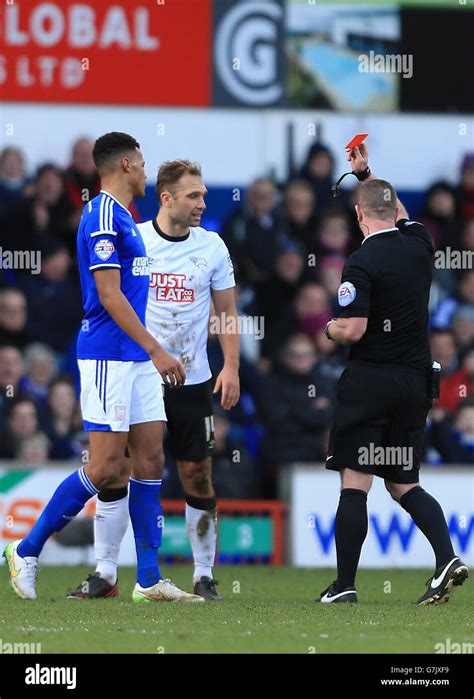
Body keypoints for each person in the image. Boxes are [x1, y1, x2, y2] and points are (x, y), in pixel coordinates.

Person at [3, 132, 201, 603]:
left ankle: (149, 578)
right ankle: (26, 550)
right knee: (107, 466)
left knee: (150, 459)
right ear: (127, 164)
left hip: (137, 359)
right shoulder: (102, 215)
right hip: (108, 357)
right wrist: (156, 348)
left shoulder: (129, 218)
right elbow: (109, 296)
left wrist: (152, 349)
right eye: (143, 162)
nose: (147, 170)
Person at [67, 159, 239, 601]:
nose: (202, 203)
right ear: (166, 199)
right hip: (138, 371)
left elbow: (226, 313)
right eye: (193, 196)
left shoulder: (213, 247)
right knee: (119, 470)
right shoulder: (135, 238)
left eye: (202, 194)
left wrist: (232, 366)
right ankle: (106, 572)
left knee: (197, 473)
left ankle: (203, 574)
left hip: (192, 379)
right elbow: (108, 299)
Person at [319, 141, 469, 606]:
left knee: (355, 481)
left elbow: (355, 328)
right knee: (403, 481)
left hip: (372, 383)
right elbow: (394, 206)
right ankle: (446, 558)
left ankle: (344, 585)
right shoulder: (420, 241)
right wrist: (368, 176)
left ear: (360, 218)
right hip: (416, 382)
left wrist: (330, 328)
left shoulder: (362, 260)